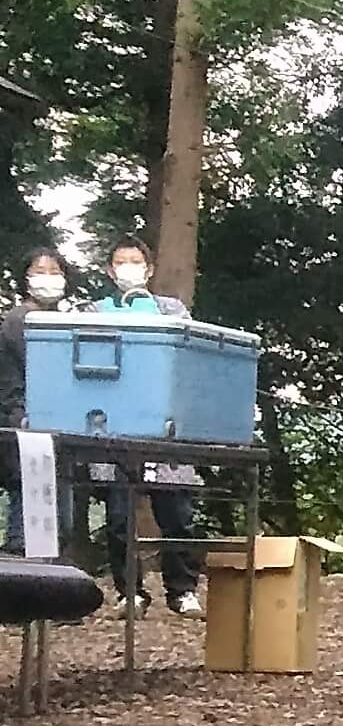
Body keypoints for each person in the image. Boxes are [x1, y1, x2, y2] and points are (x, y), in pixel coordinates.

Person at [94, 238, 203, 618]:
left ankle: (183, 589)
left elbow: (186, 358)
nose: (128, 268)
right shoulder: (95, 311)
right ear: (109, 271)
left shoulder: (171, 310)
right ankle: (130, 592)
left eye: (135, 261)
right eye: (120, 262)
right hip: (113, 427)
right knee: (120, 516)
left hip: (163, 426)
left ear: (149, 268)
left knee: (177, 513)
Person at [3, 247, 70, 554]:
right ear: (26, 278)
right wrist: (19, 415)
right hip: (26, 424)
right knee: (27, 507)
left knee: (54, 515)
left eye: (55, 272)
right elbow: (16, 378)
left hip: (58, 425)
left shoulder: (65, 320)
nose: (48, 278)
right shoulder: (19, 320)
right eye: (40, 271)